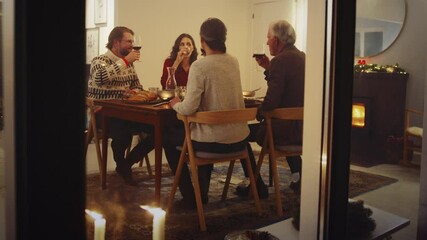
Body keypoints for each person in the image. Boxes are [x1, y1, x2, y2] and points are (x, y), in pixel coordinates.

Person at [163, 18, 259, 209]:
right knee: (203, 131)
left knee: (168, 138)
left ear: (201, 41)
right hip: (238, 141)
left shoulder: (200, 66)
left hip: (212, 144)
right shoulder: (234, 61)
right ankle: (202, 193)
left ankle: (192, 197)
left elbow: (188, 108)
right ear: (224, 38)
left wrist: (175, 104)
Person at [236, 20, 305, 195]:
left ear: (276, 39)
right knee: (282, 120)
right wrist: (268, 67)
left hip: (283, 132)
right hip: (302, 130)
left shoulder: (280, 61)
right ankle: (301, 175)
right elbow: (288, 91)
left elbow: (271, 103)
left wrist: (257, 112)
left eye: (268, 37)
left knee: (239, 134)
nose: (266, 42)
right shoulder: (303, 57)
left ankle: (256, 185)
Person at [87, 26, 154, 185]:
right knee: (122, 128)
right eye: (128, 41)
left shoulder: (130, 65)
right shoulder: (99, 60)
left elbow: (138, 86)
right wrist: (124, 61)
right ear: (116, 42)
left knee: (159, 130)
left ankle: (126, 164)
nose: (132, 45)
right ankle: (122, 165)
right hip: (102, 112)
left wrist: (134, 91)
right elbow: (100, 78)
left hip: (127, 111)